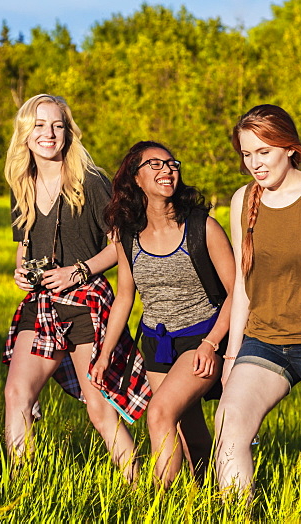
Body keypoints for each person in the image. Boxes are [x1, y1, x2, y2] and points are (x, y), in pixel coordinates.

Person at [2, 94, 149, 482]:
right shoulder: (22, 184)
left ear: (68, 132)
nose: (48, 133)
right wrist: (20, 272)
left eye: (57, 125)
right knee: (17, 395)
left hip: (86, 302)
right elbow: (24, 246)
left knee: (99, 410)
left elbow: (121, 246)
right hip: (42, 303)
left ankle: (141, 491)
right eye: (39, 125)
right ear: (25, 133)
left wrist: (78, 271)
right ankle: (21, 487)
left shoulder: (92, 181)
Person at [214, 105, 301, 495]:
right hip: (265, 341)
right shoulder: (242, 200)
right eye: (246, 154)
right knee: (228, 428)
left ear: (288, 147)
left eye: (263, 152)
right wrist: (232, 355)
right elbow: (244, 283)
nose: (254, 164)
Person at [90, 141, 235, 488]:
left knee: (159, 414)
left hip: (202, 338)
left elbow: (238, 291)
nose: (167, 170)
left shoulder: (203, 227)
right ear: (136, 179)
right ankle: (205, 495)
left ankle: (157, 503)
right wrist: (106, 352)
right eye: (154, 164)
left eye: (171, 163)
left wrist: (212, 343)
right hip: (157, 344)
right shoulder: (128, 236)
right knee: (187, 428)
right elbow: (125, 296)